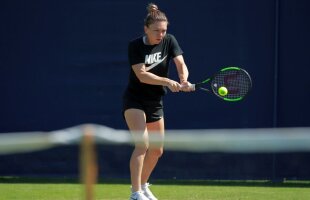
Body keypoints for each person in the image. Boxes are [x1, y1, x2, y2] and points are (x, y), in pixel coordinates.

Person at [122, 3, 193, 200]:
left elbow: (181, 63)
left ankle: (143, 186)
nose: (161, 35)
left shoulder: (170, 41)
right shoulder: (135, 46)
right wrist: (168, 81)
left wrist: (183, 79)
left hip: (155, 101)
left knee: (157, 150)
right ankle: (135, 193)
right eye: (156, 31)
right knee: (142, 144)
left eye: (164, 30)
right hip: (135, 100)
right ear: (146, 29)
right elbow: (142, 75)